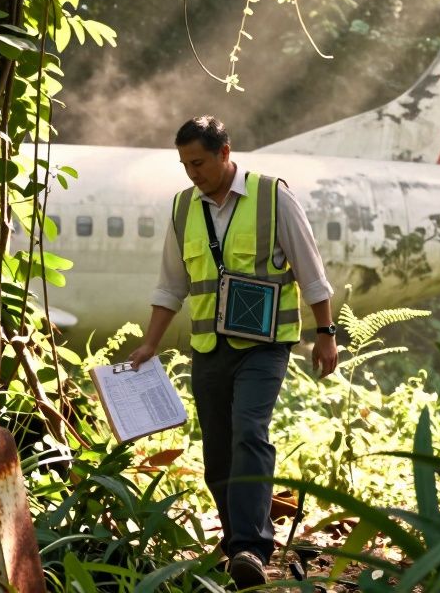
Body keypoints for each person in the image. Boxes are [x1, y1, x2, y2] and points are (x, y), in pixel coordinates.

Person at [128, 116, 338, 588]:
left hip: (264, 346)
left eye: (199, 163)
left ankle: (251, 547)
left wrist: (326, 331)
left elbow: (310, 271)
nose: (192, 173)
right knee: (218, 452)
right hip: (209, 347)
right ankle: (236, 545)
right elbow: (171, 285)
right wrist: (150, 343)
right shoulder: (183, 208)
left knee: (249, 432)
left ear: (225, 153)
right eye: (185, 165)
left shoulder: (272, 196)